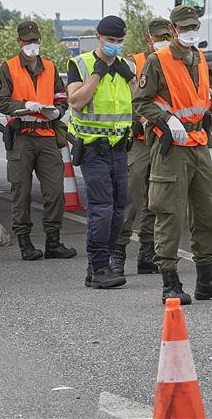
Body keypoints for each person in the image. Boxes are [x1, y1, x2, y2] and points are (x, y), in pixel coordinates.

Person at [133, 5, 212, 304]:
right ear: (172, 29)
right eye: (183, 28)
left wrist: (205, 131)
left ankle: (207, 279)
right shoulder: (158, 61)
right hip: (172, 147)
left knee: (207, 211)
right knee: (169, 212)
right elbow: (141, 102)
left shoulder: (199, 57)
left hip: (198, 142)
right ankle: (170, 282)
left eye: (193, 26)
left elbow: (200, 103)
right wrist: (167, 120)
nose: (189, 32)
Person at [0, 20, 76, 261]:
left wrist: (58, 112)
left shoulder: (50, 68)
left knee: (54, 191)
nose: (32, 45)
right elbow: (1, 101)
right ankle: (25, 243)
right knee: (21, 190)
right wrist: (24, 106)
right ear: (19, 42)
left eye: (35, 41)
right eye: (27, 41)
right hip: (21, 137)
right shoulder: (8, 68)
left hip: (47, 135)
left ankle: (53, 242)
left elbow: (62, 97)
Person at [67, 15, 136, 289]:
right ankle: (99, 268)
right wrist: (97, 73)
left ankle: (97, 266)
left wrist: (130, 76)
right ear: (98, 37)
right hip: (93, 147)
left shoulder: (125, 66)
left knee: (120, 208)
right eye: (110, 41)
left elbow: (137, 98)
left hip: (119, 148)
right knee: (102, 209)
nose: (115, 46)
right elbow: (76, 102)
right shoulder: (81, 64)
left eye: (119, 41)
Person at [110, 18, 173, 277]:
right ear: (148, 38)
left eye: (167, 37)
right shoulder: (132, 63)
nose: (163, 42)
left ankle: (147, 251)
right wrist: (141, 118)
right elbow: (125, 99)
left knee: (156, 199)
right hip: (139, 139)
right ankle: (117, 252)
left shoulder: (176, 63)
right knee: (131, 197)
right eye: (159, 37)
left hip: (164, 137)